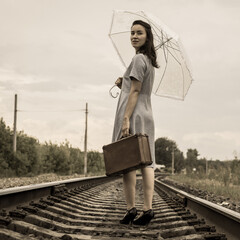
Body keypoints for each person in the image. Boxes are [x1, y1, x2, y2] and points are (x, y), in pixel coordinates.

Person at [112, 20, 158, 226]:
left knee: (128, 163)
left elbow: (136, 91)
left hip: (134, 113)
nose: (134, 36)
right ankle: (147, 210)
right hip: (146, 113)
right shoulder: (147, 60)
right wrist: (124, 81)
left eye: (139, 33)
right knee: (147, 161)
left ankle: (132, 209)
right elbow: (136, 85)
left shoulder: (139, 59)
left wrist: (125, 119)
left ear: (147, 36)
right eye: (131, 33)